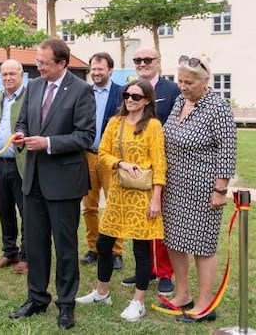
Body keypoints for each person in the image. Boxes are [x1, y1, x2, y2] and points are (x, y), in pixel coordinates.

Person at [9, 38, 96, 330]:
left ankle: (66, 305)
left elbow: (85, 136)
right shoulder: (33, 86)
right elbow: (22, 121)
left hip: (64, 183)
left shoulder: (82, 90)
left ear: (62, 63)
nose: (39, 67)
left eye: (44, 63)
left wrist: (47, 143)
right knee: (35, 244)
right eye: (37, 61)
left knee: (66, 246)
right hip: (32, 180)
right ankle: (36, 298)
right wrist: (20, 135)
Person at [76, 79, 167, 322]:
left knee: (140, 248)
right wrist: (120, 163)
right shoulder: (115, 123)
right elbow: (102, 154)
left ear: (147, 100)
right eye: (127, 95)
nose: (129, 99)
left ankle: (138, 301)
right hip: (117, 193)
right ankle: (102, 292)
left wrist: (156, 198)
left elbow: (159, 164)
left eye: (136, 96)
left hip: (142, 195)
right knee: (104, 244)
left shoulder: (154, 127)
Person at [162, 54, 237, 323]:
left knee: (202, 245)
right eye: (180, 81)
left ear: (206, 81)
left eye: (189, 82)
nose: (182, 86)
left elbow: (227, 150)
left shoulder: (218, 107)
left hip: (203, 188)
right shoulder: (180, 101)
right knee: (174, 240)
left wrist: (220, 190)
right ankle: (183, 294)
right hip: (174, 185)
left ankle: (205, 304)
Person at [121, 45, 180, 295]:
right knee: (140, 221)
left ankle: (165, 272)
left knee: (160, 220)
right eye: (137, 60)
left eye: (147, 59)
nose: (142, 63)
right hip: (135, 169)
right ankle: (148, 269)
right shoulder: (131, 89)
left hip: (162, 165)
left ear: (158, 61)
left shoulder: (172, 90)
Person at [80, 52, 125, 270]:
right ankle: (94, 248)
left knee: (114, 205)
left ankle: (116, 251)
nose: (96, 73)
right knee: (89, 206)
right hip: (87, 155)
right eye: (94, 69)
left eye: (101, 69)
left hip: (111, 159)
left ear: (110, 70)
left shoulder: (121, 94)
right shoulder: (83, 92)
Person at [0, 59, 28, 275]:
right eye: (4, 74)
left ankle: (27, 255)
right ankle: (9, 251)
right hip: (0, 164)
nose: (8, 78)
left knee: (26, 211)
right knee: (5, 210)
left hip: (22, 163)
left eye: (13, 73)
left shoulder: (29, 98)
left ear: (22, 75)